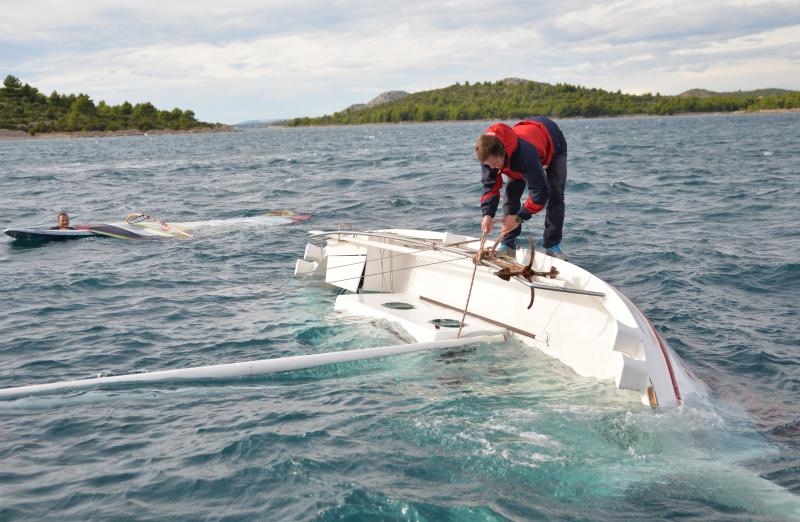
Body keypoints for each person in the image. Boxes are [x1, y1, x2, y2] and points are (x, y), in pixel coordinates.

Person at [475, 116, 568, 260]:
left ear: (503, 153)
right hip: (522, 142)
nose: (491, 167)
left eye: (493, 163)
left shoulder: (525, 156)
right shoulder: (488, 155)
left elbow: (540, 194)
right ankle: (508, 245)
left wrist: (519, 217)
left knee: (555, 193)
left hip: (553, 142)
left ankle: (552, 246)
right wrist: (487, 214)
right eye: (488, 164)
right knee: (511, 195)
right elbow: (490, 186)